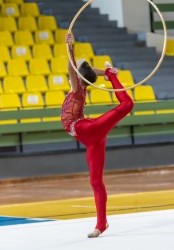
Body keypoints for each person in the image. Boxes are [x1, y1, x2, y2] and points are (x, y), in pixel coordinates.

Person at [61, 33, 134, 238]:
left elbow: (72, 68)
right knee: (95, 182)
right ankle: (101, 224)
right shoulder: (79, 89)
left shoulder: (77, 90)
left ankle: (113, 78)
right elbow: (86, 71)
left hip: (89, 129)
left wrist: (71, 47)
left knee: (127, 104)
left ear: (77, 76)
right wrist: (106, 71)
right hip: (92, 139)